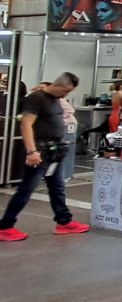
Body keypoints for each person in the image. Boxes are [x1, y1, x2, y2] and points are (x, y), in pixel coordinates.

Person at [0, 73, 89, 241]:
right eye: (65, 90)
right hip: (39, 153)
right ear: (58, 85)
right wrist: (31, 151)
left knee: (57, 188)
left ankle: (64, 222)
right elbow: (26, 124)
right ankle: (5, 226)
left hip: (53, 152)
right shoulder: (36, 98)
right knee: (26, 189)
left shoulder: (54, 99)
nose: (66, 94)